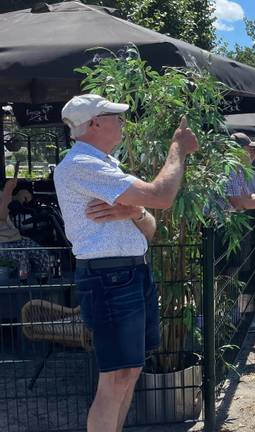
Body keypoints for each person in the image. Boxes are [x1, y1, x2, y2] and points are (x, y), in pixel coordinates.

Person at [54, 93, 199, 432]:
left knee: (128, 373)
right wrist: (177, 148)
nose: (122, 122)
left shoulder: (104, 166)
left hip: (128, 273)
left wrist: (133, 210)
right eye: (114, 116)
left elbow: (149, 228)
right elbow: (161, 196)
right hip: (111, 277)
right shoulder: (82, 165)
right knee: (117, 377)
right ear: (94, 124)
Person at [0, 172, 51, 281]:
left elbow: (9, 201)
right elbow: (2, 215)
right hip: (2, 241)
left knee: (42, 254)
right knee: (22, 259)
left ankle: (44, 286)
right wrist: (8, 189)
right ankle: (22, 290)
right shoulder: (4, 192)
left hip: (14, 237)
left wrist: (19, 195)